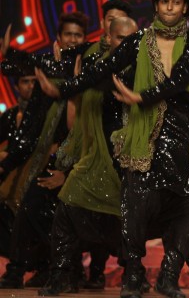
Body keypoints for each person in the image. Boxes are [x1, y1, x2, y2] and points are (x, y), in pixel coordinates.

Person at [36, 0, 189, 298]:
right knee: (132, 202)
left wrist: (142, 97)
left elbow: (178, 81)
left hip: (180, 132)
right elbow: (101, 70)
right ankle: (130, 275)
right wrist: (63, 89)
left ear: (186, 7)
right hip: (139, 135)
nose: (170, 7)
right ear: (156, 5)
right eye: (164, 1)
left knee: (187, 201)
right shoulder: (140, 40)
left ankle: (181, 276)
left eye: (176, 2)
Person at [37, 16, 138, 296]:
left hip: (132, 158)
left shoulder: (141, 68)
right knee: (66, 206)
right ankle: (60, 276)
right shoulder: (100, 66)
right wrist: (67, 86)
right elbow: (83, 99)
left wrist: (70, 85)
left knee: (134, 220)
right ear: (108, 38)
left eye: (132, 39)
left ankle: (134, 277)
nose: (126, 44)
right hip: (97, 156)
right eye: (120, 38)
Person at [0, 11, 88, 290]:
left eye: (78, 35)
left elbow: (88, 129)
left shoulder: (91, 70)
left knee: (56, 213)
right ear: (58, 38)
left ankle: (68, 270)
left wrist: (68, 172)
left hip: (81, 160)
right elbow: (20, 65)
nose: (73, 39)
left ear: (85, 39)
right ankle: (21, 270)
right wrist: (8, 52)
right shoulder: (47, 66)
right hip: (47, 157)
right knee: (28, 207)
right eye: (68, 34)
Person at [0, 67, 37, 257]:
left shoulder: (46, 114)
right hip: (9, 171)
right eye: (25, 81)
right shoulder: (9, 116)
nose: (31, 86)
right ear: (16, 87)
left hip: (36, 171)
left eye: (34, 81)